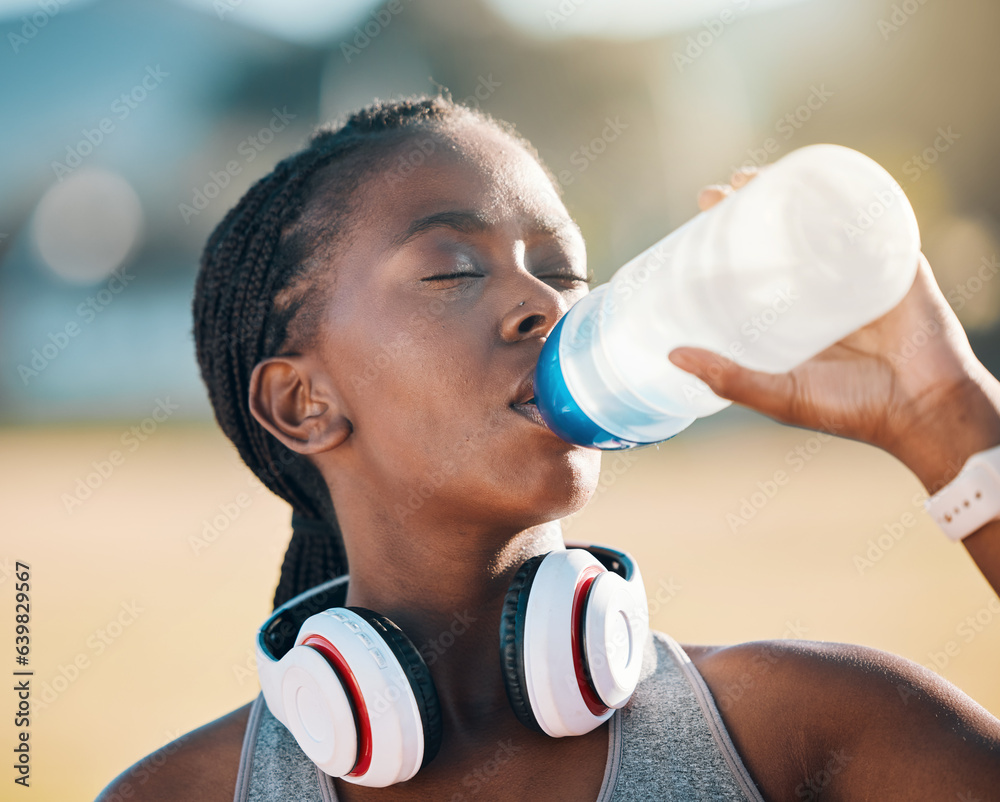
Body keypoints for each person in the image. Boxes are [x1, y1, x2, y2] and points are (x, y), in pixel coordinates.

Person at [97, 96, 1000, 801]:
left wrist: (948, 416)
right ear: (303, 403)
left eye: (563, 268)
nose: (545, 303)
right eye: (452, 269)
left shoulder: (815, 728)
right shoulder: (177, 794)